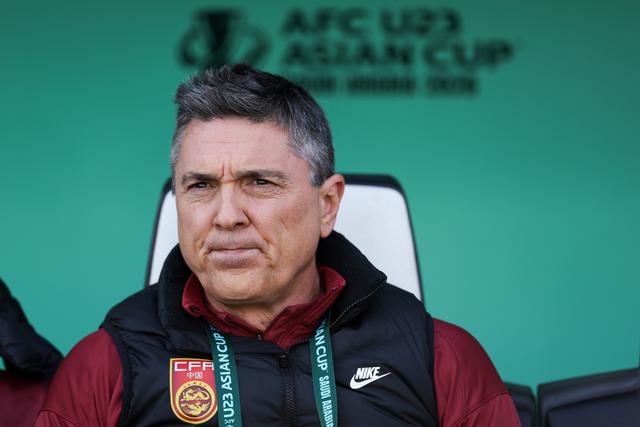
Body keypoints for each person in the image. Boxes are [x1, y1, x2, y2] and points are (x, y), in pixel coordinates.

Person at [36, 64, 520, 426]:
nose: (226, 216)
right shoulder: (106, 364)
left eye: (260, 183)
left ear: (327, 204)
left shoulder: (440, 357)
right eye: (200, 185)